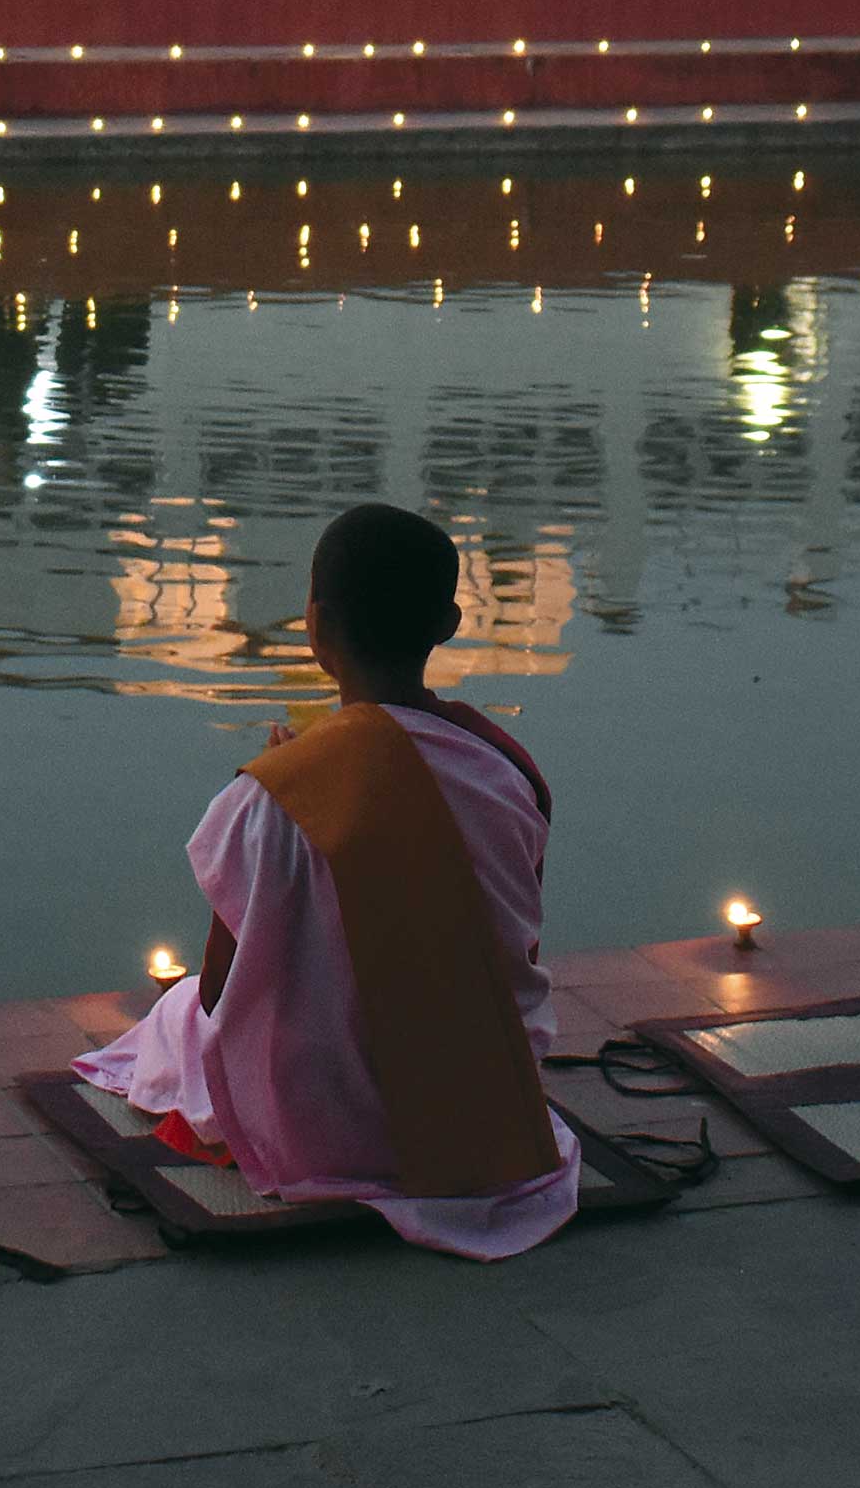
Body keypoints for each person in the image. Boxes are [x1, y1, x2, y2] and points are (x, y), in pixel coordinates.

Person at [74, 504, 579, 1258]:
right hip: (480, 1096)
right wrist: (302, 785)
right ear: (447, 623)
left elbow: (219, 989)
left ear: (314, 626)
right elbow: (512, 936)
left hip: (326, 1127)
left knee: (180, 1016)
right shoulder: (504, 767)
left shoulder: (271, 793)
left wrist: (288, 784)